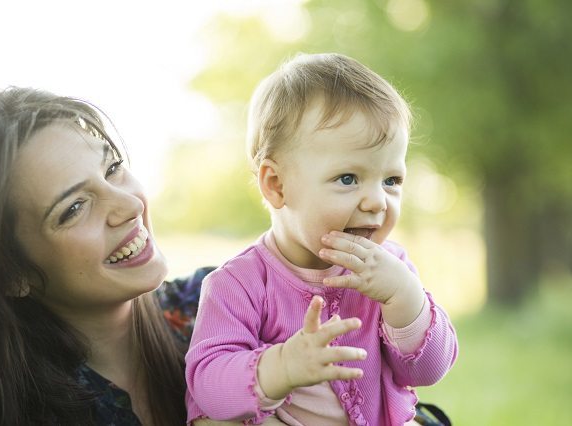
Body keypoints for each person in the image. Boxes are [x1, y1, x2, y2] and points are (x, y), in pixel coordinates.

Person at [185, 53, 459, 425]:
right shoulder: (238, 284)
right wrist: (282, 366)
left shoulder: (389, 273)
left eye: (392, 180)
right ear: (276, 185)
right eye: (348, 178)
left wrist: (405, 298)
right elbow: (207, 386)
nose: (378, 201)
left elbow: (427, 371)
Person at [0, 87, 209, 426]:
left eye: (112, 168)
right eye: (74, 208)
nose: (130, 206)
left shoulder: (238, 303)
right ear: (11, 274)